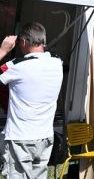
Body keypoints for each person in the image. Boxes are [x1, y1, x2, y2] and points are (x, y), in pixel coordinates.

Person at [0, 23, 63, 179]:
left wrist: (3, 50)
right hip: (45, 136)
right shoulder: (57, 63)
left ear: (23, 42)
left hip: (21, 138)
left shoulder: (17, 66)